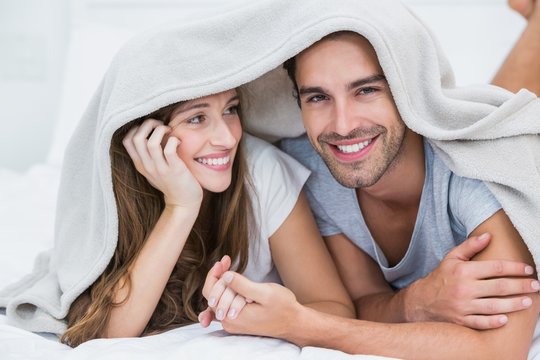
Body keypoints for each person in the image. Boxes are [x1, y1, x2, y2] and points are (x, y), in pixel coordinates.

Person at [199, 1, 540, 358]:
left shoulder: (479, 171)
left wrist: (300, 324)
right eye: (318, 97)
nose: (343, 126)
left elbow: (500, 351)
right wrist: (416, 301)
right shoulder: (314, 167)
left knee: (501, 118)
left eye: (366, 90)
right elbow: (361, 302)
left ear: (410, 91)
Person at [59, 88, 354, 346]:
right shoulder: (113, 189)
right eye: (196, 118)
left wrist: (276, 318)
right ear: (146, 136)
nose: (227, 138)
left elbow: (336, 310)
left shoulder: (263, 171)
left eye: (230, 110)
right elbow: (107, 335)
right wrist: (181, 207)